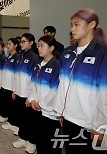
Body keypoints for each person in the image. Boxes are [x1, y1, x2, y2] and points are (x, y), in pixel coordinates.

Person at [53, 8, 107, 153]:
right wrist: (61, 111)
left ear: (91, 24)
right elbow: (62, 85)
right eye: (71, 25)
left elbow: (104, 94)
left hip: (88, 124)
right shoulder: (67, 53)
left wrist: (101, 126)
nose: (72, 29)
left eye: (76, 24)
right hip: (68, 118)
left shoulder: (102, 54)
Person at [28, 35, 60, 153]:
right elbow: (32, 85)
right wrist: (32, 100)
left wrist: (40, 104)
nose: (39, 49)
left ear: (51, 48)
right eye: (38, 46)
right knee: (40, 139)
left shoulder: (57, 66)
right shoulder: (38, 65)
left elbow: (55, 90)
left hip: (50, 111)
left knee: (51, 143)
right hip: (36, 108)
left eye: (42, 46)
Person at [12, 33, 39, 154]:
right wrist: (14, 90)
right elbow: (17, 76)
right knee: (21, 117)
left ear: (31, 43)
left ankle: (32, 142)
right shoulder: (20, 56)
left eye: (24, 42)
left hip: (27, 95)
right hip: (19, 92)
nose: (21, 44)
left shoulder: (34, 57)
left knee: (29, 119)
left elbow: (34, 80)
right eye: (21, 42)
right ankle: (23, 137)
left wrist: (30, 97)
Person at [1, 38, 21, 129]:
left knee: (13, 106)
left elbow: (16, 75)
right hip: (6, 85)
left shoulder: (17, 57)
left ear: (15, 46)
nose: (7, 46)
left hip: (12, 86)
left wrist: (14, 88)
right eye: (7, 44)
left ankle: (13, 122)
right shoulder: (9, 57)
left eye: (10, 44)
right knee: (8, 104)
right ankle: (10, 120)